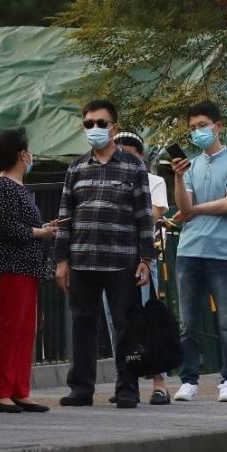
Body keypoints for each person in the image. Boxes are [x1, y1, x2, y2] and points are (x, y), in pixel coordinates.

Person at [54, 100, 155, 409]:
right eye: (88, 124)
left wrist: (146, 259)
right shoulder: (76, 168)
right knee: (82, 324)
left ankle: (127, 388)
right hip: (82, 259)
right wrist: (61, 262)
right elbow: (64, 218)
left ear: (114, 126)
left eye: (100, 123)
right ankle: (81, 389)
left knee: (126, 327)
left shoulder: (134, 166)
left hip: (122, 260)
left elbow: (144, 215)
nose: (94, 129)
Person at [170, 101, 227, 403]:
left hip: (224, 252)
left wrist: (194, 211)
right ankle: (188, 379)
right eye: (192, 128)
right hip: (189, 251)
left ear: (218, 126)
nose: (197, 132)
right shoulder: (190, 165)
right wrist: (177, 177)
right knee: (187, 321)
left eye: (202, 125)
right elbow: (184, 207)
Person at [0, 128, 53, 414]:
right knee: (11, 328)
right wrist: (41, 232)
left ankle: (19, 390)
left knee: (26, 329)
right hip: (10, 266)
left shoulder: (16, 186)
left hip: (26, 267)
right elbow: (9, 228)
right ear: (22, 154)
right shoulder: (2, 186)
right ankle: (1, 392)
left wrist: (43, 230)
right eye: (28, 151)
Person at [113, 130, 171, 405]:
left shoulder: (154, 181)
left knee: (148, 321)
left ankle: (159, 382)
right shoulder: (108, 179)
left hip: (144, 259)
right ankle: (125, 382)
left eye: (128, 152)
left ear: (140, 155)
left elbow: (154, 214)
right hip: (113, 261)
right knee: (120, 325)